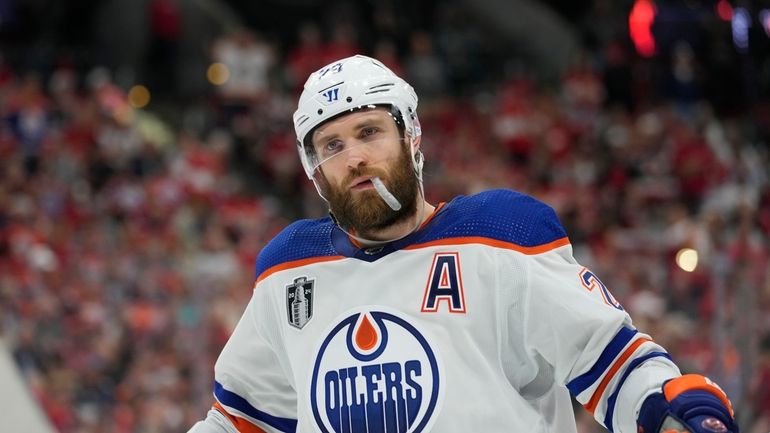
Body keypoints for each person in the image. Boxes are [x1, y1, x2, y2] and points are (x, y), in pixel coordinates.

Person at [187, 55, 739, 433]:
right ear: (314, 170)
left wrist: (677, 408)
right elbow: (244, 419)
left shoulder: (502, 235)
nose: (354, 156)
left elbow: (613, 365)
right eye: (332, 144)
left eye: (370, 132)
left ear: (411, 137)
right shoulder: (289, 271)